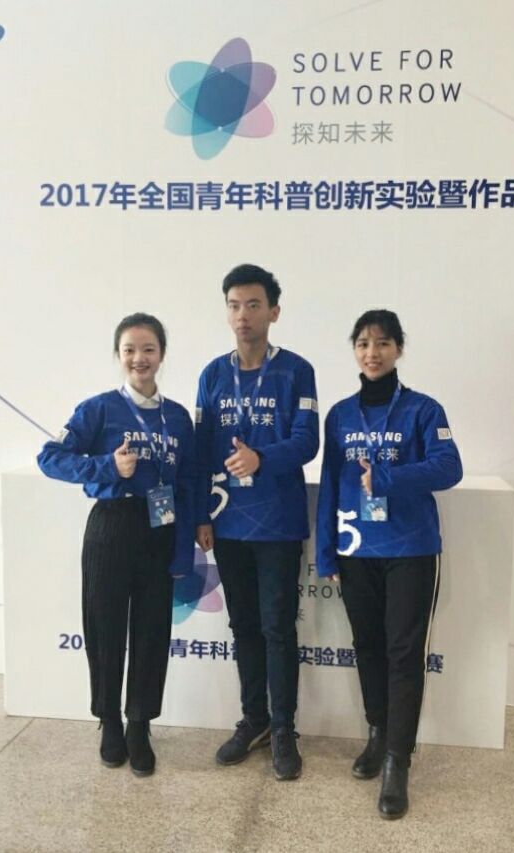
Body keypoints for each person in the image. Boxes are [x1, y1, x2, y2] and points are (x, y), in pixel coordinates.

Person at [316, 309, 462, 818]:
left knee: (403, 654)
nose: (371, 352)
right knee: (368, 646)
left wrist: (388, 478)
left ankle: (399, 759)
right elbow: (331, 484)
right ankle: (378, 733)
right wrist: (325, 549)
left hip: (411, 550)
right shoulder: (340, 415)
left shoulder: (423, 409)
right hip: (357, 551)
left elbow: (449, 467)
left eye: (381, 343)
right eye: (362, 343)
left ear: (398, 348)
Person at [37, 313, 195, 776]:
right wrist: (107, 466)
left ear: (161, 355)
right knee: (105, 627)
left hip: (160, 528)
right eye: (129, 350)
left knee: (151, 631)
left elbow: (188, 483)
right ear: (118, 355)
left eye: (148, 349)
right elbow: (51, 458)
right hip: (111, 525)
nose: (138, 358)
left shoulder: (178, 417)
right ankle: (109, 720)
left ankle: (139, 724)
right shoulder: (99, 409)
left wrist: (184, 547)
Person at [195, 264, 319, 780]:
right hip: (228, 523)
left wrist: (261, 458)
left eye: (252, 305)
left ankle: (284, 727)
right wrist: (200, 513)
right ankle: (255, 720)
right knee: (243, 626)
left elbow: (307, 441)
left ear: (273, 312)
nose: (242, 315)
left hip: (278, 523)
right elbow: (201, 449)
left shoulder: (296, 371)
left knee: (277, 628)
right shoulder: (212, 375)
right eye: (233, 305)